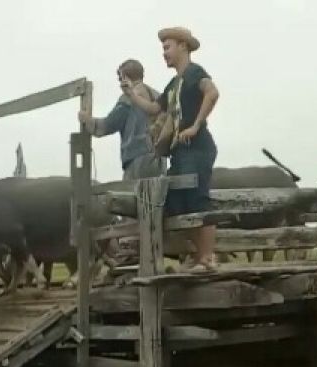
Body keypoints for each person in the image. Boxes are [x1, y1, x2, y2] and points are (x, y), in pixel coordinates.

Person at [125, 27, 221, 271]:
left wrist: (196, 125)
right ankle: (196, 254)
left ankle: (207, 258)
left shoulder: (194, 73)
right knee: (174, 201)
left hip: (197, 147)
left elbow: (212, 93)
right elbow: (155, 110)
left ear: (183, 46)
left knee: (198, 199)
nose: (164, 53)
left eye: (167, 47)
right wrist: (131, 95)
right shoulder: (174, 84)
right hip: (180, 151)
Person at [77, 59, 164, 180]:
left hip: (137, 159)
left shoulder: (128, 98)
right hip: (159, 161)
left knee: (134, 197)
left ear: (124, 77)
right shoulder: (157, 95)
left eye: (120, 78)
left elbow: (108, 125)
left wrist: (87, 120)